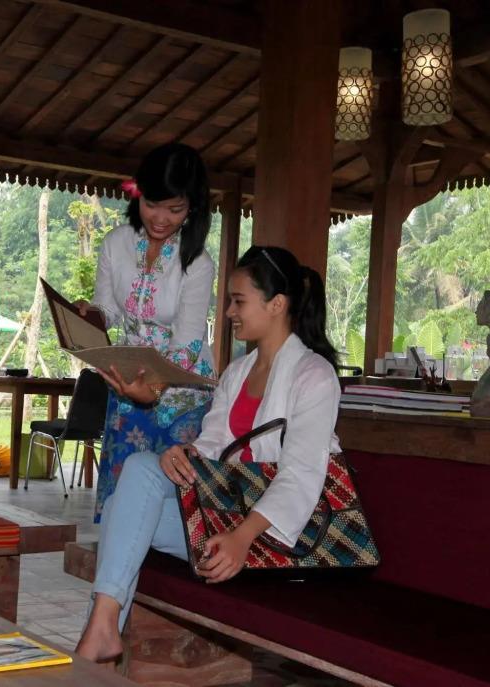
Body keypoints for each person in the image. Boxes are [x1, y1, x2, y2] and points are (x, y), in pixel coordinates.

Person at [76, 245, 341, 663]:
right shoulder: (237, 372)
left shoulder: (315, 376)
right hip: (229, 513)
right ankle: (103, 629)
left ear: (276, 304)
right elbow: (213, 444)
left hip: (279, 535)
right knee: (137, 477)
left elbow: (302, 475)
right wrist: (183, 454)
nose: (230, 312)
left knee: (120, 509)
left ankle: (97, 636)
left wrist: (242, 538)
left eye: (239, 301)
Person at [74, 143, 216, 522]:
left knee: (174, 499)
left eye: (175, 209)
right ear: (139, 194)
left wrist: (153, 389)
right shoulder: (115, 244)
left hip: (182, 393)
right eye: (152, 204)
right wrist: (90, 315)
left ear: (192, 208)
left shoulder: (198, 264)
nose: (161, 218)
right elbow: (108, 310)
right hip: (127, 384)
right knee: (122, 494)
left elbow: (186, 345)